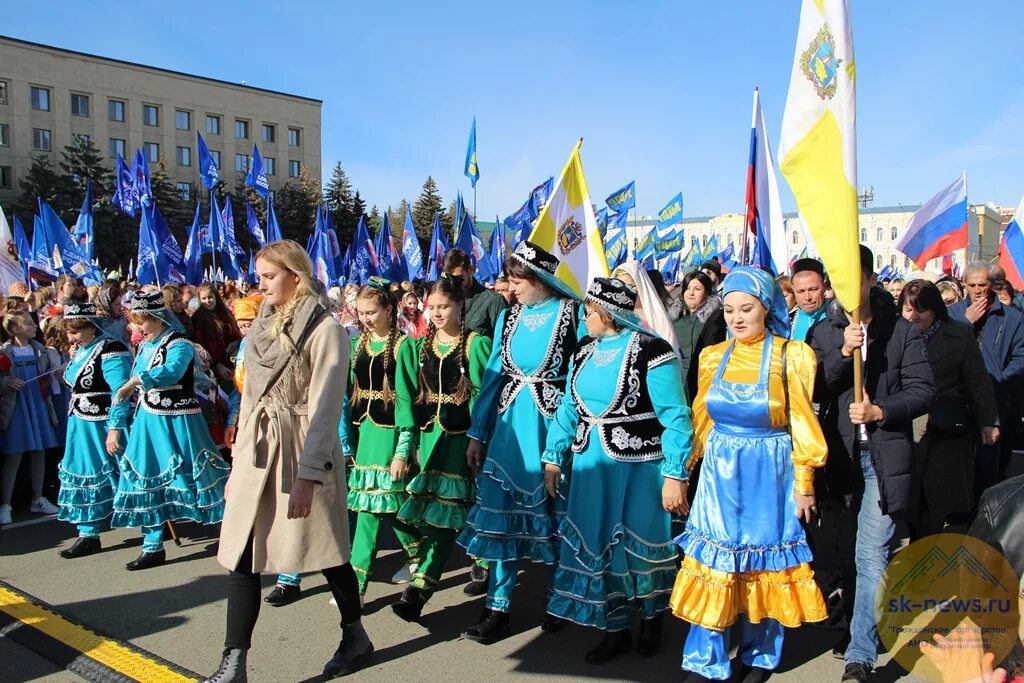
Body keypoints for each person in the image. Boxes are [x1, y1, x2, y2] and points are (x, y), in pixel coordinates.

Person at [206, 240, 373, 682]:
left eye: (267, 277)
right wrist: (238, 463)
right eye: (258, 276)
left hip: (303, 448)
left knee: (329, 551)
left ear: (295, 276)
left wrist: (308, 475)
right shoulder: (261, 322)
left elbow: (324, 407)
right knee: (242, 555)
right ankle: (234, 663)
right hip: (258, 449)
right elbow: (251, 397)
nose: (258, 286)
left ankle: (354, 634)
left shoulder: (326, 329)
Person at [673, 266, 828, 682]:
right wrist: (681, 473)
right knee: (714, 565)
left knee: (763, 566)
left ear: (767, 309)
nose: (736, 318)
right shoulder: (711, 357)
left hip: (769, 472)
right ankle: (706, 661)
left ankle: (759, 657)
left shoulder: (791, 355)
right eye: (728, 310)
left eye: (747, 309)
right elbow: (701, 421)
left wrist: (805, 484)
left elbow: (802, 425)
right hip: (718, 479)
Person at [542, 277, 692, 664]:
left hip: (639, 469)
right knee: (598, 545)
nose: (583, 318)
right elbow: (568, 409)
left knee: (638, 546)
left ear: (605, 313)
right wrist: (553, 455)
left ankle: (651, 618)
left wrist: (675, 473)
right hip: (592, 466)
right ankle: (616, 628)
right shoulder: (584, 350)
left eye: (588, 312)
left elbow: (675, 416)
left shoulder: (651, 350)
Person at [806, 245, 934, 683]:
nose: (846, 289)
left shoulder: (902, 331)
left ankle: (861, 653)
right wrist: (843, 352)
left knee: (872, 556)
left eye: (854, 278)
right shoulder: (823, 332)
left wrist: (881, 411)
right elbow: (815, 390)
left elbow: (922, 391)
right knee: (847, 555)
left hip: (883, 461)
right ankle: (861, 620)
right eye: (837, 280)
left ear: (870, 278)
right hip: (840, 462)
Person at [458, 242, 581, 643]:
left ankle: (559, 600)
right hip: (510, 431)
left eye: (517, 280)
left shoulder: (572, 314)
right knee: (501, 520)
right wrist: (478, 432)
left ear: (541, 280)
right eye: (509, 280)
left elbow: (581, 379)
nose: (511, 288)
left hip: (551, 428)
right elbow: (494, 374)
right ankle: (497, 607)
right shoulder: (509, 318)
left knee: (555, 518)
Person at [390, 274, 492, 621]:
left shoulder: (475, 344)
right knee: (445, 511)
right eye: (431, 306)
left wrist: (479, 438)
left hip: (460, 440)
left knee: (446, 516)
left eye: (443, 306)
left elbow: (483, 395)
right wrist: (410, 441)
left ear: (460, 306)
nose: (435, 312)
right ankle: (481, 559)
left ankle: (419, 589)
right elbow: (412, 394)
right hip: (431, 438)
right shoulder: (422, 346)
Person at [110, 291, 230, 571]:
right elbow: (127, 388)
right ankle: (152, 546)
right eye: (134, 322)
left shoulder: (181, 344)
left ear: (156, 318)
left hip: (180, 422)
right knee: (146, 478)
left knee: (203, 475)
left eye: (140, 322)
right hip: (148, 423)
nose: (136, 328)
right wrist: (115, 425)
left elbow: (173, 372)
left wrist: (138, 380)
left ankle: (233, 532)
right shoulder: (144, 348)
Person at [898, 280, 999, 539]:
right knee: (907, 501)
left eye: (921, 309)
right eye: (908, 310)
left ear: (935, 309)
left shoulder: (958, 335)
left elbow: (978, 381)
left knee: (937, 500)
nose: (914, 316)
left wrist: (988, 421)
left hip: (945, 427)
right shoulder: (894, 335)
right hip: (904, 425)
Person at [344, 278, 421, 603]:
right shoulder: (357, 345)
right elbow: (348, 392)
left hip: (390, 437)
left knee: (381, 507)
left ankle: (358, 585)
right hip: (365, 435)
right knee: (375, 507)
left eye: (372, 312)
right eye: (361, 313)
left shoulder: (404, 345)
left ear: (389, 310)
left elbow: (406, 399)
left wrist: (403, 450)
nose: (366, 318)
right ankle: (416, 557)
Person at [54, 303, 133, 558]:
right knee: (83, 473)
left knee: (125, 470)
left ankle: (153, 523)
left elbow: (121, 392)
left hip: (104, 422)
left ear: (91, 327)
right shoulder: (80, 351)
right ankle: (88, 534)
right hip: (80, 423)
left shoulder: (111, 349)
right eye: (69, 332)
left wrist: (116, 428)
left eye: (76, 331)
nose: (71, 337)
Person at [948, 262, 1024, 495]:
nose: (978, 290)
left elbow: (1020, 357)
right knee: (958, 461)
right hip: (960, 399)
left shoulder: (1011, 317)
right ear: (964, 285)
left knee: (992, 462)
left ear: (991, 284)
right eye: (972, 285)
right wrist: (965, 324)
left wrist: (1000, 381)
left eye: (983, 284)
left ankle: (986, 512)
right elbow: (944, 354)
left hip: (998, 399)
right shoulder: (953, 314)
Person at [0, 311, 59, 525]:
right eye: (27, 323)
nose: (34, 325)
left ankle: (38, 498)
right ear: (14, 329)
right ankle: (5, 503)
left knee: (39, 452)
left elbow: (47, 375)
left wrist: (55, 375)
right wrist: (7, 383)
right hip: (16, 406)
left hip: (38, 403)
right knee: (14, 455)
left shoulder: (39, 349)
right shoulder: (4, 352)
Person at [672, 272, 721, 400]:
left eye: (697, 289)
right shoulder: (674, 319)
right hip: (678, 379)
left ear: (707, 292)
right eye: (688, 288)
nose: (691, 293)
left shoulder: (716, 319)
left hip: (703, 380)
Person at [443, 247, 507, 337]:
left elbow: (502, 341)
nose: (454, 283)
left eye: (459, 278)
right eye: (449, 278)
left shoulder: (494, 301)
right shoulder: (443, 300)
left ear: (471, 270)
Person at [191, 284, 242, 386]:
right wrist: (216, 364)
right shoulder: (198, 318)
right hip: (213, 366)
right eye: (204, 298)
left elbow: (235, 336)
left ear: (216, 297)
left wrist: (236, 355)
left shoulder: (225, 312)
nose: (208, 301)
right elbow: (201, 344)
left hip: (232, 360)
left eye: (210, 297)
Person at [790, 258, 831, 343]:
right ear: (793, 289)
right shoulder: (785, 323)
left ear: (824, 286)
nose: (807, 297)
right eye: (800, 291)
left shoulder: (839, 316)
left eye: (813, 289)